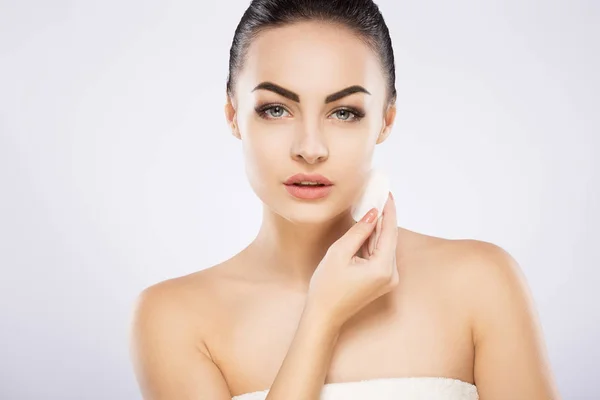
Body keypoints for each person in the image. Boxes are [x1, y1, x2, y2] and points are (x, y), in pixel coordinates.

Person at [129, 1, 561, 399]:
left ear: (385, 121)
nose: (310, 148)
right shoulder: (174, 317)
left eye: (344, 112)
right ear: (233, 116)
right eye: (276, 109)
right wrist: (321, 317)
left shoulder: (480, 282)